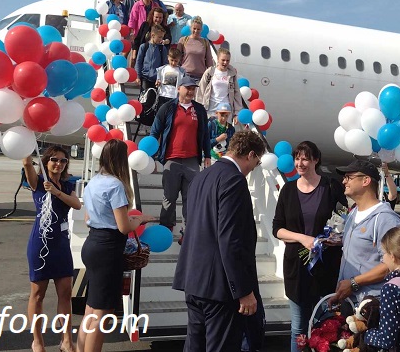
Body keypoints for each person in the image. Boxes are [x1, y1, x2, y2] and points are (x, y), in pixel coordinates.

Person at [172, 131, 266, 352]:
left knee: (194, 345)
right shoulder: (234, 180)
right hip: (219, 286)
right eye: (256, 162)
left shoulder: (201, 177)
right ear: (250, 155)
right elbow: (231, 239)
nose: (254, 167)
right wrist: (243, 290)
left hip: (194, 279)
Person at [76, 140, 156, 352]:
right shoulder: (115, 185)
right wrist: (139, 220)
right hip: (108, 250)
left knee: (91, 309)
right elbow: (122, 227)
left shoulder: (93, 182)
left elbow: (87, 218)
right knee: (101, 313)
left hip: (92, 244)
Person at [272, 140, 348, 352]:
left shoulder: (331, 187)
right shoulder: (287, 191)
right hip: (297, 268)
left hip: (326, 268)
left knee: (327, 326)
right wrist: (302, 238)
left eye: (305, 158)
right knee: (298, 328)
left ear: (316, 160)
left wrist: (339, 239)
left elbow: (346, 218)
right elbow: (277, 228)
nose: (300, 163)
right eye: (297, 158)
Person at [22, 147, 81, 352]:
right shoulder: (37, 182)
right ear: (46, 161)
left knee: (65, 293)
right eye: (54, 160)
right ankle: (37, 340)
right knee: (38, 294)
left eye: (63, 161)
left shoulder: (67, 185)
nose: (59, 164)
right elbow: (27, 164)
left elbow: (76, 204)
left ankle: (66, 339)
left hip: (61, 243)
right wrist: (26, 146)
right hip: (41, 242)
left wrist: (56, 192)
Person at [332, 159, 400, 303]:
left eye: (349, 177)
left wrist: (354, 282)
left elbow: (394, 264)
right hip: (349, 298)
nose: (344, 181)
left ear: (366, 181)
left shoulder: (386, 219)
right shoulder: (353, 213)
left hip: (371, 304)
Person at [149, 75, 211, 238]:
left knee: (190, 198)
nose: (190, 91)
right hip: (172, 159)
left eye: (193, 89)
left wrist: (207, 155)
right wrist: (153, 156)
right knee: (169, 196)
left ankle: (187, 231)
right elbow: (155, 131)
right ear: (179, 88)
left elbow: (204, 134)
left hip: (192, 160)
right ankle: (166, 227)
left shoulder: (199, 109)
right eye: (188, 88)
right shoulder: (168, 108)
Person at [362, 226, 400, 350]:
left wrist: (366, 334)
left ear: (393, 256)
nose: (383, 258)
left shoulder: (392, 288)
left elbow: (387, 340)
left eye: (384, 253)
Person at [198, 48, 243, 120]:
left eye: (227, 60)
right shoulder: (210, 72)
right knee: (210, 128)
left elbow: (236, 94)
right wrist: (199, 106)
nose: (225, 63)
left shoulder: (232, 75)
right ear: (218, 59)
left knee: (224, 130)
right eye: (223, 60)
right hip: (211, 106)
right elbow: (201, 89)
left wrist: (237, 113)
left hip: (225, 107)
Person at [177, 16, 215, 84]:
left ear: (201, 30)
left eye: (198, 29)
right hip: (185, 75)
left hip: (200, 77)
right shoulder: (183, 40)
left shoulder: (205, 42)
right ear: (190, 28)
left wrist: (211, 75)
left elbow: (209, 60)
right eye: (194, 28)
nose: (196, 31)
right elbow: (177, 58)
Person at [134, 24, 169, 93]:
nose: (161, 39)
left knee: (154, 99)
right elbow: (138, 62)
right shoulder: (144, 47)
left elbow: (165, 64)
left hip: (157, 79)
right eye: (159, 37)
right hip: (145, 77)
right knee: (144, 98)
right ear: (152, 35)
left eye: (162, 37)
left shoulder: (162, 48)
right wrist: (137, 76)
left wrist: (160, 78)